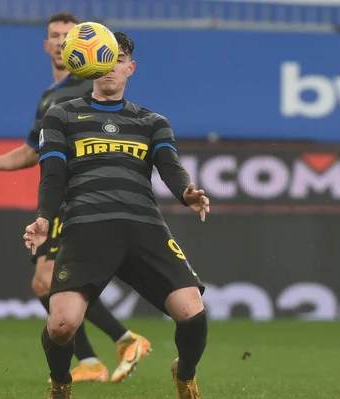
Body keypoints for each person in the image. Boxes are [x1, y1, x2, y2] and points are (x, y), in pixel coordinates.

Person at [0, 12, 150, 384]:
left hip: (79, 199)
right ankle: (97, 356)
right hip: (60, 201)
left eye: (68, 36)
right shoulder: (50, 97)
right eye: (55, 36)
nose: (61, 41)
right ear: (47, 45)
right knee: (47, 283)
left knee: (50, 281)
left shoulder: (88, 86)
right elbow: (32, 152)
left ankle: (119, 342)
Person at [23, 31, 209, 399]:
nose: (111, 65)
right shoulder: (62, 115)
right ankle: (61, 383)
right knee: (61, 326)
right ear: (89, 64)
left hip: (144, 227)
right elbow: (53, 175)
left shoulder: (152, 121)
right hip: (87, 228)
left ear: (131, 67)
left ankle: (184, 374)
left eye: (119, 57)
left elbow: (169, 166)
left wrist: (186, 191)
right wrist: (44, 217)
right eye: (105, 57)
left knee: (193, 312)